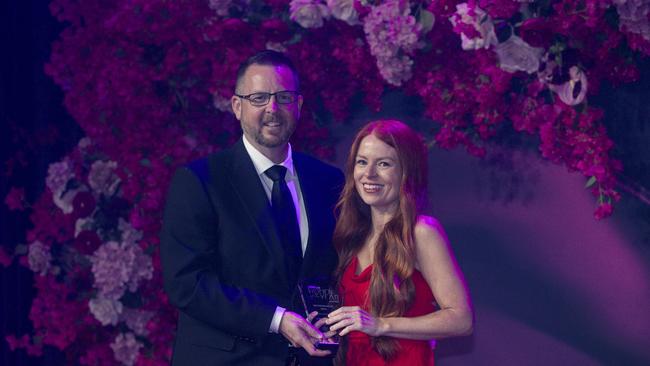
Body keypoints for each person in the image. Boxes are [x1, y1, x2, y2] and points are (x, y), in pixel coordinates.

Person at [160, 50, 344, 366]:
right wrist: (276, 319)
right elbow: (186, 284)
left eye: (284, 97)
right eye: (259, 98)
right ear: (237, 106)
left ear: (298, 106)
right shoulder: (201, 180)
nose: (272, 109)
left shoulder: (327, 180)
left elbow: (338, 269)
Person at [324, 120, 473, 365]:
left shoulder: (421, 232)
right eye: (362, 162)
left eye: (383, 164)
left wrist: (381, 324)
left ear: (407, 171)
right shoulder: (352, 233)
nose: (369, 174)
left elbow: (461, 320)